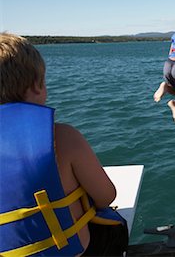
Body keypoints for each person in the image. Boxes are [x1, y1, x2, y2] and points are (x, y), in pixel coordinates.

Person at [0, 33, 128, 256]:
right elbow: (106, 196)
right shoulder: (63, 137)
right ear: (37, 86)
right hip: (75, 250)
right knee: (113, 225)